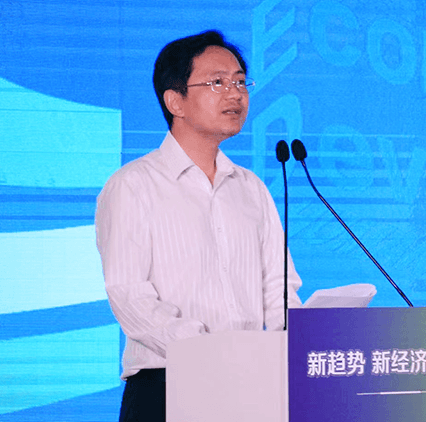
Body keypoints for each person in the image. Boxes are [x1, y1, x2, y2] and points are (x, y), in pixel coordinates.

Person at [94, 30, 302, 422]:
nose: (235, 94)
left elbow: (279, 288)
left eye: (240, 82)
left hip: (252, 386)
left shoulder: (251, 188)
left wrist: (289, 350)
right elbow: (129, 296)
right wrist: (207, 353)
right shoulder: (132, 186)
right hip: (168, 385)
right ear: (175, 101)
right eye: (217, 82)